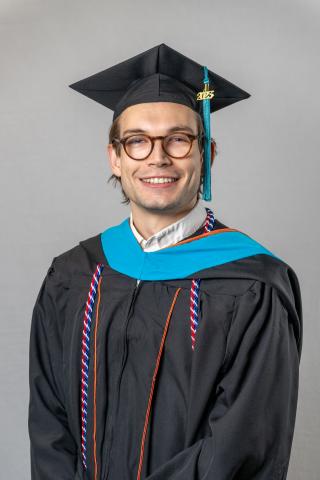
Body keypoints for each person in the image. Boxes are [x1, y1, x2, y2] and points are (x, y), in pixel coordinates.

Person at [28, 43, 303, 480]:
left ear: (205, 155)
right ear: (115, 158)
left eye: (178, 139)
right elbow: (49, 421)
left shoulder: (254, 285)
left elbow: (242, 445)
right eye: (137, 141)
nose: (158, 157)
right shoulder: (74, 275)